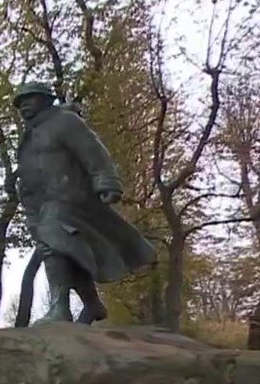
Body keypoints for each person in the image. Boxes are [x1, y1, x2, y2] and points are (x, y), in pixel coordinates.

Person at [13, 81, 157, 324]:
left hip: (70, 197)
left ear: (46, 99)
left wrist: (107, 182)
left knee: (54, 242)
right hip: (41, 204)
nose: (22, 105)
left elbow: (92, 151)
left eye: (29, 98)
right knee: (68, 250)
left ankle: (60, 309)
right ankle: (92, 305)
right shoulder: (30, 135)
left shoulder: (66, 122)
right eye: (19, 102)